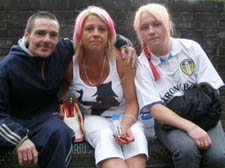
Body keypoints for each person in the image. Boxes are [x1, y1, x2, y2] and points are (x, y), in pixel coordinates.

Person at [0, 11, 137, 168]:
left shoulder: (61, 49)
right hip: (11, 121)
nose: (46, 40)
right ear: (27, 34)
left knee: (61, 133)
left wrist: (124, 43)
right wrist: (20, 140)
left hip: (44, 119)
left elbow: (94, 38)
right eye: (40, 33)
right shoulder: (7, 67)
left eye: (53, 35)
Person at [133, 3, 225, 168]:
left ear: (168, 24)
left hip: (204, 114)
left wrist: (196, 121)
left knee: (218, 156)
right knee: (187, 150)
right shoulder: (141, 65)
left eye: (157, 24)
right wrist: (191, 128)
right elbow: (156, 109)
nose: (151, 31)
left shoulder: (191, 48)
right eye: (144, 27)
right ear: (140, 33)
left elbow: (212, 90)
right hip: (170, 123)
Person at [69, 6, 148, 168]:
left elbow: (133, 103)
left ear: (109, 35)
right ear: (79, 35)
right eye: (89, 29)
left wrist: (125, 127)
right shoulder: (70, 66)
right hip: (93, 119)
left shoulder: (122, 59)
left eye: (102, 29)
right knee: (105, 137)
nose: (96, 33)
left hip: (127, 117)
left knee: (136, 139)